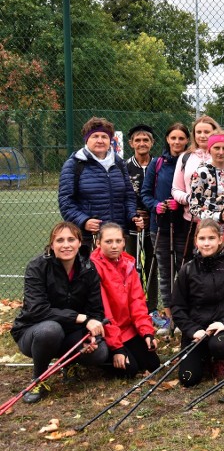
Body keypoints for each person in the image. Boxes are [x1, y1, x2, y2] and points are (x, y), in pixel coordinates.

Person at [11, 222, 109, 403]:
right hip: (34, 331)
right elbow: (37, 310)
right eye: (60, 240)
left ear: (80, 243)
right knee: (51, 330)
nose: (66, 245)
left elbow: (95, 309)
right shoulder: (37, 266)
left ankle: (70, 364)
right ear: (52, 245)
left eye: (71, 239)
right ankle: (38, 379)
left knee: (100, 352)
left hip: (72, 332)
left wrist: (91, 335)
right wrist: (81, 318)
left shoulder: (89, 268)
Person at [171, 219, 224, 386]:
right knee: (188, 379)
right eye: (202, 239)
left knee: (219, 346)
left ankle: (219, 359)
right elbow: (177, 307)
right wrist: (193, 330)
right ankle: (203, 357)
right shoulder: (187, 270)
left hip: (221, 330)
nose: (206, 243)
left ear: (220, 239)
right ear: (196, 241)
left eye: (211, 238)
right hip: (195, 332)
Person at [58, 117, 142, 246]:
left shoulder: (119, 163)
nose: (100, 140)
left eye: (104, 136)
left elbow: (129, 196)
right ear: (87, 140)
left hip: (117, 235)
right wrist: (84, 221)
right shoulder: (74, 165)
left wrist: (132, 216)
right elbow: (66, 202)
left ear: (110, 140)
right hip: (88, 237)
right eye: (95, 136)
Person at [90, 223, 161, 378]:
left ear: (124, 242)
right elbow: (104, 312)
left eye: (118, 241)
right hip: (106, 332)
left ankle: (128, 350)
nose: (114, 246)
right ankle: (94, 362)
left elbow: (137, 302)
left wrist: (147, 333)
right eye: (108, 242)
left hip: (127, 329)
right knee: (129, 370)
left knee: (153, 364)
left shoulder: (128, 263)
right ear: (98, 243)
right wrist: (117, 348)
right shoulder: (94, 268)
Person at [141, 122, 190, 328]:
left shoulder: (192, 161)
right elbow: (145, 194)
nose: (177, 142)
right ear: (167, 139)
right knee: (165, 272)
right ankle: (169, 319)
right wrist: (157, 206)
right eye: (173, 138)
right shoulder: (158, 163)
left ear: (187, 140)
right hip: (160, 226)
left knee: (185, 270)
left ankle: (186, 315)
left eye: (181, 138)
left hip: (185, 226)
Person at [172, 115, 224, 262]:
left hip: (219, 221)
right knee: (194, 264)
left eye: (207, 132)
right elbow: (176, 189)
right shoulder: (186, 157)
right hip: (192, 221)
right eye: (199, 132)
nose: (202, 136)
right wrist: (189, 199)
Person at [188, 131, 224, 262]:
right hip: (210, 232)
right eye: (216, 148)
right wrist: (218, 216)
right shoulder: (201, 172)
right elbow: (194, 206)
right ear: (210, 149)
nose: (221, 152)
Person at [125, 124, 156, 299]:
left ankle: (151, 306)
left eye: (146, 140)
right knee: (131, 265)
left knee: (152, 265)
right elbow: (121, 194)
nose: (142, 143)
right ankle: (133, 304)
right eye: (138, 140)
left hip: (154, 223)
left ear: (152, 143)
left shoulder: (158, 165)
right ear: (131, 143)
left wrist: (151, 212)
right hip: (132, 224)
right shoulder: (124, 167)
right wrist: (133, 214)